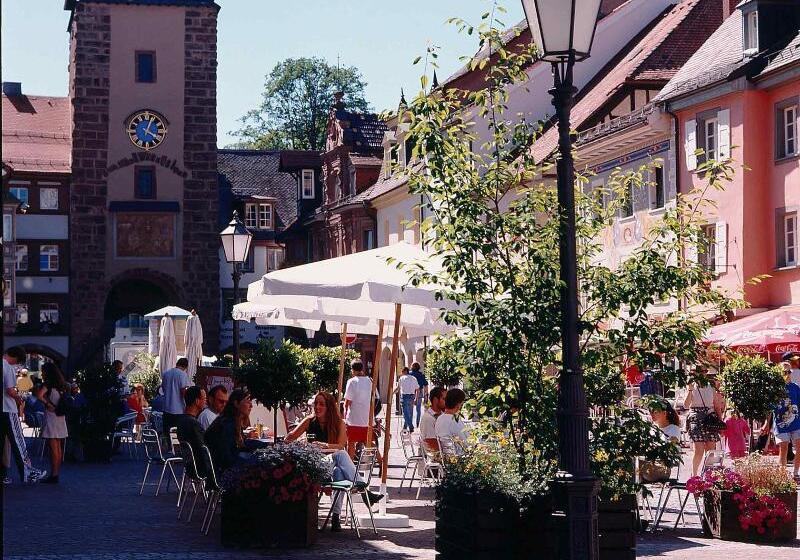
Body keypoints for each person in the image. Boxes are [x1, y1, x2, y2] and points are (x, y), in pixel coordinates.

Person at [286, 391, 383, 531]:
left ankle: (335, 519)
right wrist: (303, 445)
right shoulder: (309, 421)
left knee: (339, 471)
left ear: (329, 407)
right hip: (316, 466)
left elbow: (340, 445)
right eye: (316, 404)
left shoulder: (339, 423)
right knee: (341, 455)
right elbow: (289, 438)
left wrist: (325, 446)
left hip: (331, 466)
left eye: (321, 404)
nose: (317, 407)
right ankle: (364, 491)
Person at [1, 347, 45, 484]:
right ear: (15, 359)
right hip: (7, 409)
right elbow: (10, 390)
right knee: (18, 440)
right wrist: (19, 398)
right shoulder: (6, 366)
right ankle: (28, 471)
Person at [684, 373, 726, 476]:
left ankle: (709, 474)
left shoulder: (710, 386)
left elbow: (716, 406)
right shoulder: (692, 386)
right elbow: (686, 405)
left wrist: (720, 423)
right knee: (699, 449)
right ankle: (694, 475)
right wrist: (690, 390)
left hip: (710, 418)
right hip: (695, 418)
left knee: (710, 449)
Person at [204, 389, 253, 474]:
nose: (251, 405)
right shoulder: (227, 425)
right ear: (236, 403)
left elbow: (241, 445)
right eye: (247, 401)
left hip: (218, 467)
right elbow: (227, 458)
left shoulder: (231, 420)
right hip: (220, 473)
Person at [39, 363, 68, 484]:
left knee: (53, 446)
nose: (42, 373)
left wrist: (47, 403)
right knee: (58, 446)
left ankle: (54, 474)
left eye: (43, 371)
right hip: (60, 415)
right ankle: (56, 473)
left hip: (52, 416)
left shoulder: (48, 384)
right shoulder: (62, 384)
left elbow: (40, 395)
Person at [175, 386, 208, 474]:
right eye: (204, 399)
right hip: (201, 467)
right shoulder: (193, 424)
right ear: (197, 401)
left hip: (189, 464)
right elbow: (203, 447)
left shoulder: (182, 421)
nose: (206, 401)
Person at [772, 376, 800, 480]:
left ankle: (796, 473)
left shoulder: (795, 387)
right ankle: (782, 475)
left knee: (799, 447)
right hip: (781, 423)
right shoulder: (775, 388)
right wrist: (767, 423)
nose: (787, 374)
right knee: (784, 448)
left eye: (789, 371)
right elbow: (771, 407)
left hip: (796, 422)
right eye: (784, 371)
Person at [343, 360, 372, 458]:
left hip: (354, 418)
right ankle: (381, 461)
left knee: (351, 442)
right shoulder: (370, 380)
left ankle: (350, 465)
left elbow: (347, 402)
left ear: (353, 370)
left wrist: (344, 415)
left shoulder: (352, 382)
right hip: (367, 417)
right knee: (368, 442)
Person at [161, 358, 191, 434]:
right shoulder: (182, 374)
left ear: (177, 363)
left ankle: (166, 446)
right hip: (179, 410)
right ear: (186, 367)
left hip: (166, 408)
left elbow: (164, 389)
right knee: (177, 435)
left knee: (167, 434)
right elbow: (183, 391)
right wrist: (188, 404)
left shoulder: (166, 373)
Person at [419, 386, 446, 453]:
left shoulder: (443, 415)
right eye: (444, 399)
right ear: (435, 400)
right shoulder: (428, 418)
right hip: (435, 458)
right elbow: (431, 443)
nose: (448, 402)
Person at [397, 366, 419, 432]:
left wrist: (392, 393)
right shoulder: (414, 378)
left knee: (405, 413)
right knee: (410, 413)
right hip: (412, 396)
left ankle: (410, 426)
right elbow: (417, 389)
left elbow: (398, 388)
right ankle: (405, 426)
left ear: (404, 371)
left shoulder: (402, 378)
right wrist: (416, 398)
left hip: (404, 396)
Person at [410, 362, 429, 428]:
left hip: (411, 392)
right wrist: (426, 394)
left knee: (410, 409)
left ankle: (410, 424)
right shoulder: (421, 375)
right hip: (420, 392)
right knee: (418, 409)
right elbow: (426, 385)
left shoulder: (410, 374)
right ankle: (417, 423)